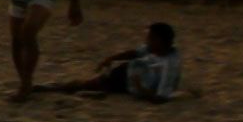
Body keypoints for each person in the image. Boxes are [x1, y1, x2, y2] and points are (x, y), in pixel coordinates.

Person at [34, 21, 183, 103]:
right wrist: (110, 59)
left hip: (129, 81)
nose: (147, 41)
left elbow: (160, 98)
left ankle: (52, 88)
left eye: (150, 38)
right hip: (127, 75)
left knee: (85, 84)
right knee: (93, 83)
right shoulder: (157, 49)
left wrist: (141, 89)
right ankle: (61, 88)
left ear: (159, 41)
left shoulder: (168, 66)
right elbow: (135, 53)